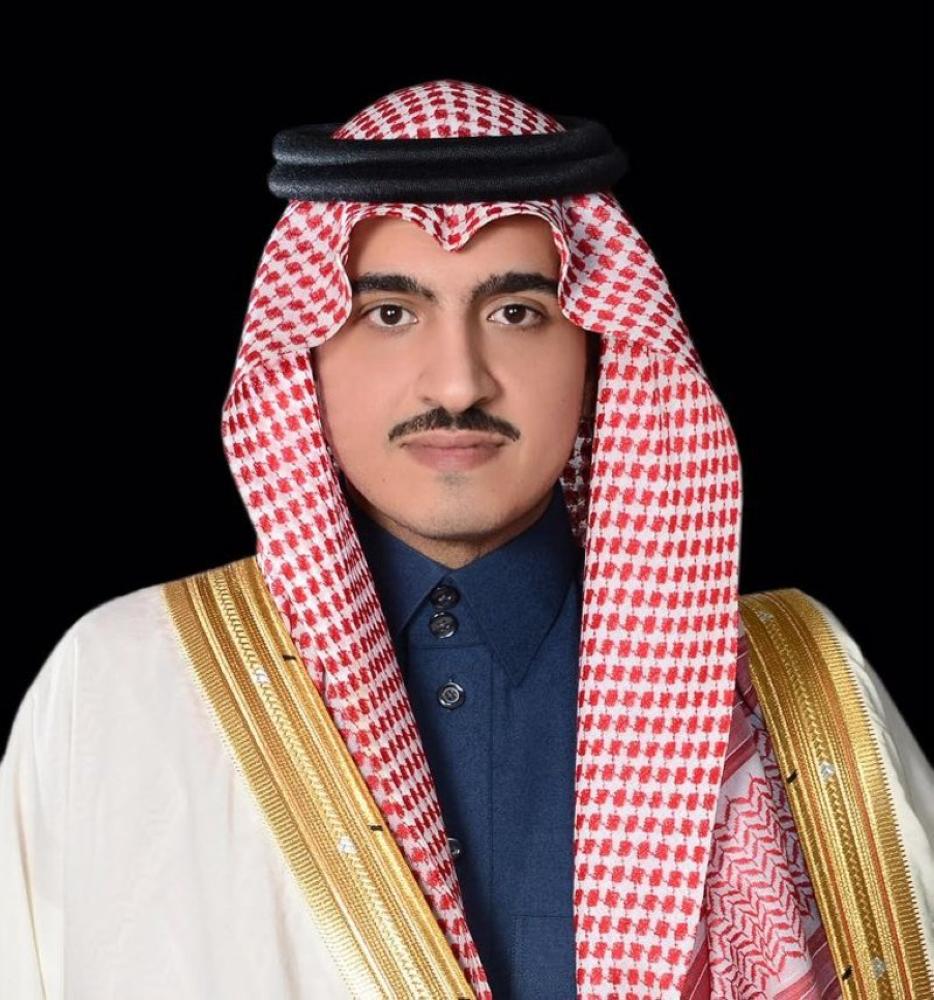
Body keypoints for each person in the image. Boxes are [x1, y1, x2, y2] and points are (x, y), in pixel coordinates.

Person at [1, 79, 931, 1000]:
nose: (457, 384)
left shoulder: (798, 690)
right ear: (304, 352)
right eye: (389, 314)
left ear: (596, 350)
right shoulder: (121, 684)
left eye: (516, 313)